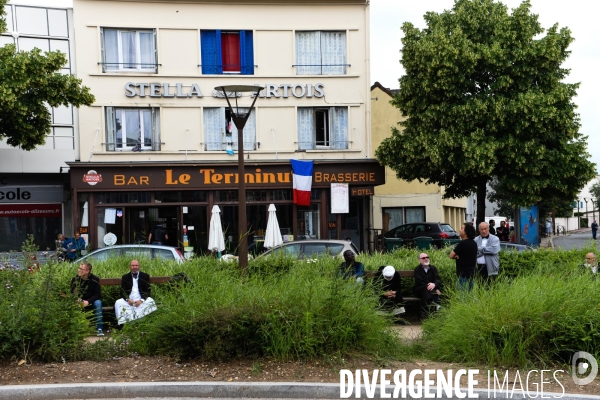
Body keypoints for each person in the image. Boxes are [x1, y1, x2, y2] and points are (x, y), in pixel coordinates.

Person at [114, 260, 157, 325]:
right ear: (130, 267)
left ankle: (143, 323)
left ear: (139, 266)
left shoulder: (145, 276)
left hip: (141, 299)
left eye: (136, 265)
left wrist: (141, 300)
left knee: (151, 301)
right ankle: (123, 325)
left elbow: (148, 291)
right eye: (133, 265)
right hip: (129, 300)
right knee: (118, 302)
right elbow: (122, 291)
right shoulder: (125, 277)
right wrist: (128, 299)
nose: (135, 267)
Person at [70, 262, 104, 336]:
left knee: (98, 303)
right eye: (79, 268)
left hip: (91, 301)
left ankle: (99, 329)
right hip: (80, 301)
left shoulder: (95, 279)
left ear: (87, 271)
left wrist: (88, 301)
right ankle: (77, 329)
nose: (78, 270)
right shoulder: (75, 279)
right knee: (73, 304)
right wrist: (76, 298)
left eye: (81, 269)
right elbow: (72, 293)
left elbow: (97, 295)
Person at [449, 222, 478, 291]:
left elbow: (451, 255)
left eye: (462, 228)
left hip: (463, 275)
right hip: (472, 274)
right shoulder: (474, 243)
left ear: (466, 232)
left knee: (462, 297)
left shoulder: (462, 243)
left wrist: (456, 256)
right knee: (469, 296)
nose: (459, 230)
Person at [413, 253, 441, 317]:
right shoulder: (417, 269)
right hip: (420, 289)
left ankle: (425, 312)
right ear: (419, 260)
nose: (426, 259)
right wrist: (434, 288)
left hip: (430, 290)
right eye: (423, 258)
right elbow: (419, 281)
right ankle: (438, 307)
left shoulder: (433, 268)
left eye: (427, 257)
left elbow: (437, 279)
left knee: (429, 291)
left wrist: (434, 284)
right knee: (430, 290)